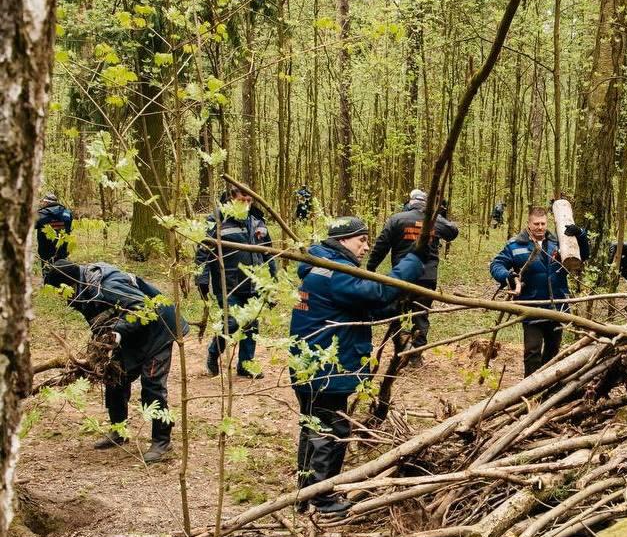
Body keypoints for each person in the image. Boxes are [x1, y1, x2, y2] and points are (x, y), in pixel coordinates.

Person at [290, 217, 426, 515]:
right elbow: (375, 294)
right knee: (332, 430)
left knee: (312, 426)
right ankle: (324, 499)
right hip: (326, 369)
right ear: (343, 241)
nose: (366, 247)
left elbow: (364, 308)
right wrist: (413, 260)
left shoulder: (323, 268)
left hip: (310, 366)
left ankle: (305, 493)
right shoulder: (335, 273)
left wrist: (398, 303)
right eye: (361, 240)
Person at [46, 260, 188, 463]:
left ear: (67, 283)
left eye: (60, 291)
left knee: (152, 383)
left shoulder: (107, 286)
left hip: (160, 329)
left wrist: (118, 331)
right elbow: (102, 319)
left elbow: (143, 310)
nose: (61, 297)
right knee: (114, 377)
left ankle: (161, 442)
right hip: (134, 333)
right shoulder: (86, 289)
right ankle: (118, 430)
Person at [490, 207, 589, 377]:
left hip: (558, 307)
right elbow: (496, 265)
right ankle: (530, 389)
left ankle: (547, 387)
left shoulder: (560, 243)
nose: (540, 227)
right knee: (532, 351)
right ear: (528, 224)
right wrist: (508, 276)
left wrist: (580, 235)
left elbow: (583, 255)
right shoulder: (515, 245)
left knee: (552, 352)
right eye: (536, 224)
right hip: (531, 307)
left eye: (543, 223)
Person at [365, 188, 459, 366]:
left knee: (396, 314)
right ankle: (415, 357)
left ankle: (400, 352)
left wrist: (371, 267)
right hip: (426, 278)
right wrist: (441, 215)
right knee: (421, 316)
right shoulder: (433, 220)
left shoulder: (397, 219)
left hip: (401, 276)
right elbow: (453, 232)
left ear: (409, 203)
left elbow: (381, 245)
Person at [195, 186, 278, 378]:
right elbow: (203, 252)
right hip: (227, 284)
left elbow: (269, 254)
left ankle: (246, 365)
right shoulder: (217, 220)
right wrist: (202, 279)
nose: (247, 204)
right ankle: (213, 352)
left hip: (254, 283)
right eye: (242, 200)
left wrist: (273, 282)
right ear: (231, 197)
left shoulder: (258, 221)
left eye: (250, 200)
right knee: (231, 322)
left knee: (250, 324)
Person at [35, 193, 74, 268]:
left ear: (46, 202)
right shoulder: (67, 212)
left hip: (46, 252)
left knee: (48, 275)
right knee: (62, 273)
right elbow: (68, 229)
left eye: (43, 202)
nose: (42, 204)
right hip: (62, 250)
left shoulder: (41, 214)